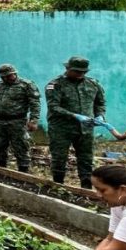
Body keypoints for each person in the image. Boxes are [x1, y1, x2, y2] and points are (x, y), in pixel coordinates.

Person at [55, 165, 126, 250]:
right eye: (96, 189)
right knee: (123, 240)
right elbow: (110, 239)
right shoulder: (119, 204)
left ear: (123, 190)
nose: (98, 195)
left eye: (102, 190)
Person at [45, 56, 106, 188]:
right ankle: (58, 186)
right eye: (77, 71)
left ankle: (86, 188)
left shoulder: (93, 84)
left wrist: (100, 115)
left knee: (86, 159)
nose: (80, 74)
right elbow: (53, 107)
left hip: (85, 128)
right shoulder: (55, 85)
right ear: (68, 69)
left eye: (83, 72)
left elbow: (100, 103)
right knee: (59, 158)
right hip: (61, 128)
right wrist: (74, 116)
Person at [0, 63, 41, 173]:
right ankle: (1, 170)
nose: (5, 78)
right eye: (3, 76)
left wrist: (34, 120)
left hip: (17, 121)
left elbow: (35, 104)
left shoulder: (26, 85)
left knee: (20, 147)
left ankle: (23, 173)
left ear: (14, 73)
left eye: (8, 76)